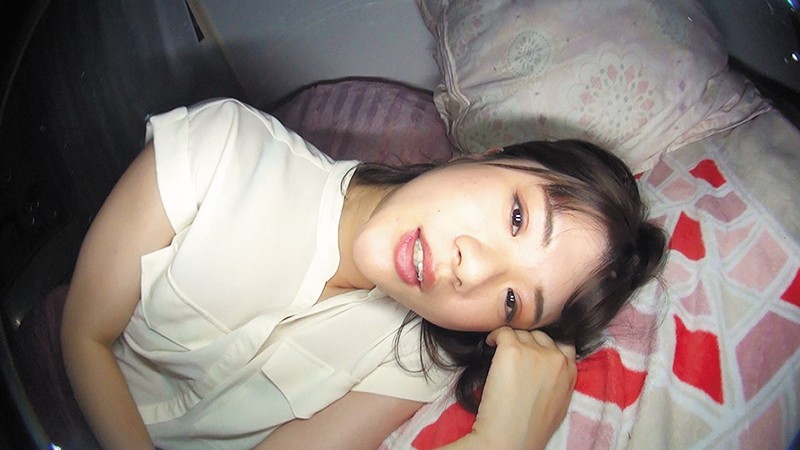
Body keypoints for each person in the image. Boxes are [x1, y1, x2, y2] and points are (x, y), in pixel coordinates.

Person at [60, 98, 666, 450]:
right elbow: (84, 335)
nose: (473, 268)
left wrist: (500, 442)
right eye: (516, 216)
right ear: (490, 156)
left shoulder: (416, 365)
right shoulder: (223, 147)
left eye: (512, 301)